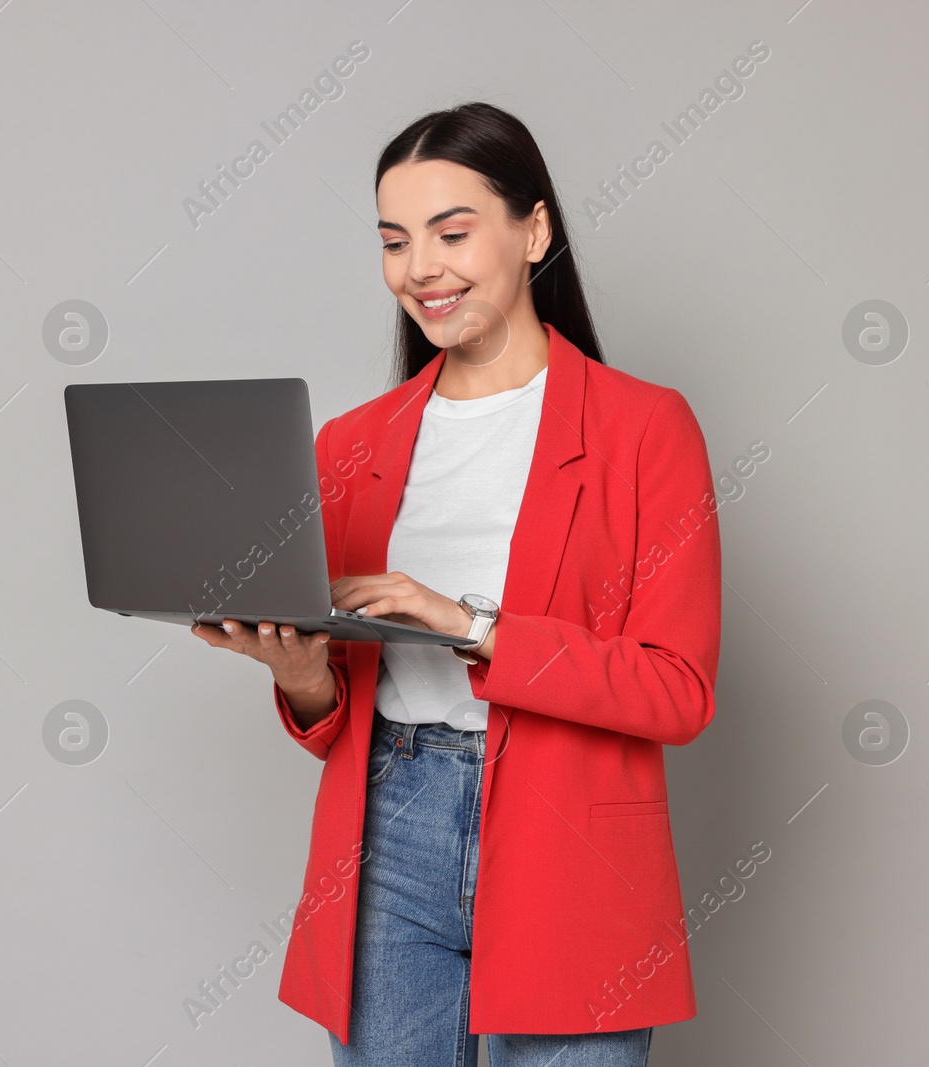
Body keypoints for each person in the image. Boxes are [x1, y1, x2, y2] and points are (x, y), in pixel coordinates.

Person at [191, 101, 723, 1067]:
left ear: (535, 230)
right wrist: (300, 673)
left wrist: (465, 622)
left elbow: (676, 690)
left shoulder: (645, 428)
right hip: (389, 827)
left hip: (571, 835)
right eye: (395, 242)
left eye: (451, 232)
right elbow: (339, 706)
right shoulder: (350, 446)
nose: (420, 268)